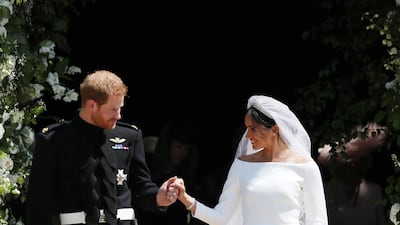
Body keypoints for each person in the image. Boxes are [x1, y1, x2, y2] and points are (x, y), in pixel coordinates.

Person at [26, 70, 179, 225]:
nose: (118, 115)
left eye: (120, 108)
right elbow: (38, 204)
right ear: (92, 105)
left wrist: (158, 197)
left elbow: (140, 186)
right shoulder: (53, 140)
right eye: (113, 109)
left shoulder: (130, 136)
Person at [172, 95, 328, 225]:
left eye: (253, 129)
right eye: (246, 128)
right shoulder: (242, 165)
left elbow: (317, 221)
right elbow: (221, 217)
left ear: (274, 129)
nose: (247, 136)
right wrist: (185, 199)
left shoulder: (306, 166)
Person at [317, 122, 387, 225]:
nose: (353, 165)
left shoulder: (374, 192)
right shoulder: (326, 193)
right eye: (348, 163)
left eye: (359, 161)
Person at [137, 118, 202, 225]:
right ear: (168, 146)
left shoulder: (185, 180)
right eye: (178, 147)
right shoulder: (148, 172)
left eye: (187, 149)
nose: (182, 153)